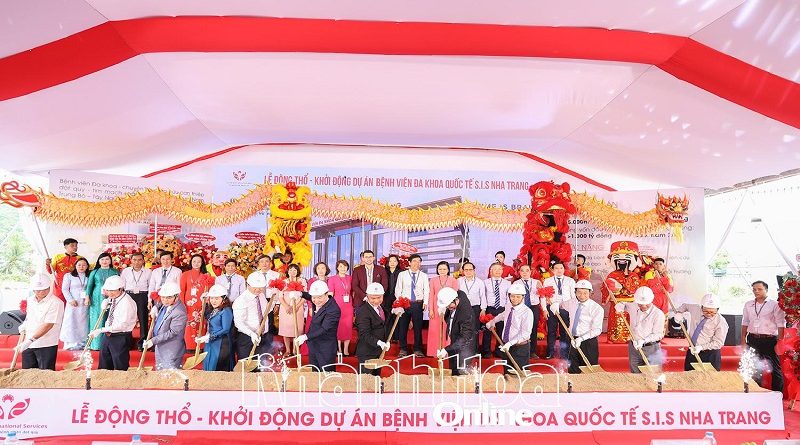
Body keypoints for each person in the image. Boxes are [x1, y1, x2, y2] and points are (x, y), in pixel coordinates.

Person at [741, 280, 785, 392]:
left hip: (770, 340)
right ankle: (755, 392)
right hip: (752, 339)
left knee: (775, 369)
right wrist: (743, 340)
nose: (756, 291)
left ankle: (777, 394)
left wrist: (780, 341)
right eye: (754, 289)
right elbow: (745, 322)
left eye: (759, 289)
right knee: (754, 367)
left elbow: (781, 324)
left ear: (766, 290)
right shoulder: (748, 304)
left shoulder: (774, 304)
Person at [17, 273, 64, 370]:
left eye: (44, 289)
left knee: (45, 374)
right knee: (27, 372)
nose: (41, 292)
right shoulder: (30, 300)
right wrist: (24, 325)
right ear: (33, 289)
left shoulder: (56, 303)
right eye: (38, 290)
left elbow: (48, 325)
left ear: (49, 287)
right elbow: (29, 317)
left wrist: (31, 340)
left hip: (46, 344)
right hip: (29, 341)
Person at [90, 275, 137, 371]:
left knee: (120, 365)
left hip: (120, 336)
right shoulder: (115, 297)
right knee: (104, 363)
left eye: (112, 291)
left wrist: (101, 330)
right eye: (108, 290)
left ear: (121, 289)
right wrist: (106, 300)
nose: (110, 293)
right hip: (108, 335)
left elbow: (122, 325)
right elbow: (109, 297)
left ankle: (121, 381)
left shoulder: (127, 302)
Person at [486, 282, 533, 374]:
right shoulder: (509, 306)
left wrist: (510, 343)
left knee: (518, 376)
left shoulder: (527, 312)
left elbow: (525, 334)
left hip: (519, 348)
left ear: (523, 297)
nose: (515, 299)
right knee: (507, 374)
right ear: (509, 296)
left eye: (518, 297)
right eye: (512, 296)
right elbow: (503, 315)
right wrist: (493, 321)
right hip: (506, 346)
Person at [673, 293, 729, 371]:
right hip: (692, 350)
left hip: (710, 354)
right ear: (701, 307)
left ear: (718, 309)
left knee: (709, 377)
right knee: (689, 376)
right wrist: (679, 312)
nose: (709, 314)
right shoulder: (695, 308)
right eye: (706, 311)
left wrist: (701, 347)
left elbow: (718, 343)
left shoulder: (721, 322)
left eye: (713, 312)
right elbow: (685, 306)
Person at [296, 280, 341, 371]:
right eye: (314, 297)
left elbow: (324, 329)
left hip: (325, 347)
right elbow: (310, 296)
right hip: (314, 345)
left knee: (326, 374)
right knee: (315, 373)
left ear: (326, 294)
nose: (316, 301)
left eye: (319, 297)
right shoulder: (317, 298)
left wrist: (305, 337)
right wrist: (300, 293)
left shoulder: (333, 309)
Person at [620, 286, 665, 373]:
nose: (643, 306)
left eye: (646, 303)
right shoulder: (633, 306)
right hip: (634, 346)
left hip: (651, 348)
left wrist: (643, 341)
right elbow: (624, 304)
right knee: (635, 374)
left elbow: (658, 334)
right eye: (640, 304)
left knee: (653, 375)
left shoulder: (658, 314)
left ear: (651, 300)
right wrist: (620, 305)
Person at [233, 273, 274, 368]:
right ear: (248, 285)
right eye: (255, 287)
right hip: (247, 338)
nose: (258, 290)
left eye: (260, 287)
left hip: (263, 336)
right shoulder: (241, 300)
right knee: (247, 368)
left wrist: (274, 300)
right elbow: (238, 323)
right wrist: (251, 334)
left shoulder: (261, 296)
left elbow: (266, 310)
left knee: (261, 366)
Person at [144, 281, 187, 370]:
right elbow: (161, 303)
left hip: (171, 350)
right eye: (163, 297)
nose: (165, 300)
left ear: (177, 296)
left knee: (169, 374)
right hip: (160, 346)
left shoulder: (179, 312)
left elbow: (173, 332)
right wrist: (156, 307)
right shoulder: (167, 303)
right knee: (160, 371)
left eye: (168, 297)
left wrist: (153, 341)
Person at [395, 254, 429, 357]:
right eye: (414, 261)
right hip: (405, 303)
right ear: (409, 262)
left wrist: (425, 302)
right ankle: (403, 349)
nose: (417, 263)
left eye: (419, 261)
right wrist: (399, 302)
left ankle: (418, 349)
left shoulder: (423, 275)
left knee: (418, 328)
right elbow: (398, 289)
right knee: (403, 327)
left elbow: (426, 290)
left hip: (418, 304)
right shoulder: (402, 274)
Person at [566, 280, 603, 374]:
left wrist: (581, 338)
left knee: (589, 371)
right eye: (579, 292)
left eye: (585, 293)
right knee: (572, 369)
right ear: (575, 292)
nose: (582, 295)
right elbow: (561, 305)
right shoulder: (571, 303)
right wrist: (555, 305)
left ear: (590, 293)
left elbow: (597, 330)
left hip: (588, 342)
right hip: (572, 339)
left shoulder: (596, 308)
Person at [436, 288, 476, 375]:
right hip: (455, 340)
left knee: (461, 371)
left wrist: (446, 350)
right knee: (453, 369)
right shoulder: (458, 295)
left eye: (448, 306)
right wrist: (444, 311)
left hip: (465, 345)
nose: (448, 308)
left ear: (455, 300)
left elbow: (465, 338)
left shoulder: (465, 314)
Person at [197, 284, 235, 371]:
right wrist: (203, 303)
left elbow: (226, 329)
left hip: (222, 343)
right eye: (212, 298)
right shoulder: (213, 309)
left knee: (217, 364)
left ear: (223, 298)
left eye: (217, 298)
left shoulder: (226, 311)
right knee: (208, 361)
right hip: (210, 341)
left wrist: (210, 337)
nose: (213, 301)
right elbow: (207, 316)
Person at [86, 252, 119, 351]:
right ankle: (96, 344)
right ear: (99, 261)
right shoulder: (94, 272)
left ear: (110, 261)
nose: (105, 261)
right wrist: (87, 297)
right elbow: (89, 286)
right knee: (97, 319)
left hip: (112, 296)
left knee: (110, 318)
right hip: (97, 298)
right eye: (102, 259)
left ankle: (109, 345)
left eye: (107, 259)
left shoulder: (115, 271)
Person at [542, 262, 575, 359]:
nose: (559, 270)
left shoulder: (570, 281)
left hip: (565, 308)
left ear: (564, 269)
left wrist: (573, 310)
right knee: (551, 331)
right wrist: (544, 309)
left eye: (561, 268)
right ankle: (550, 352)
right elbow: (543, 296)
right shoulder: (547, 281)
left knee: (564, 331)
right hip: (551, 308)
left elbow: (573, 296)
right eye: (556, 268)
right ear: (552, 270)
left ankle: (564, 353)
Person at [355, 283, 389, 375]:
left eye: (379, 297)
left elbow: (383, 325)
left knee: (376, 379)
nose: (376, 301)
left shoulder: (381, 308)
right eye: (373, 298)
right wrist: (379, 342)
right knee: (365, 381)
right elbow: (364, 334)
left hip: (379, 352)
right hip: (367, 353)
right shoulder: (363, 311)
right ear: (367, 296)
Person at [120, 252, 152, 350]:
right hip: (129, 295)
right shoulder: (126, 271)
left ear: (143, 261)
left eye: (139, 260)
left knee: (143, 319)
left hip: (142, 295)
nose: (137, 262)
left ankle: (142, 343)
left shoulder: (148, 272)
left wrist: (149, 300)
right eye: (134, 260)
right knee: (127, 319)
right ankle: (126, 342)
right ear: (131, 260)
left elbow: (151, 287)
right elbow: (122, 285)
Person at [427, 261, 458, 357]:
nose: (442, 271)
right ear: (437, 270)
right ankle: (434, 351)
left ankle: (446, 351)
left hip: (449, 308)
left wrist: (452, 308)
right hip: (436, 308)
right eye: (440, 269)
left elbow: (455, 295)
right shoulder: (433, 280)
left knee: (447, 330)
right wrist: (431, 309)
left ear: (448, 270)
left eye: (444, 269)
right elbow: (431, 295)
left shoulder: (453, 280)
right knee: (434, 330)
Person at [60, 257, 90, 350]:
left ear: (87, 266)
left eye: (84, 265)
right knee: (71, 321)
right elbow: (65, 289)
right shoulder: (69, 276)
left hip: (84, 302)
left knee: (83, 322)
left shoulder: (89, 276)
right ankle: (70, 343)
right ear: (75, 266)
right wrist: (70, 300)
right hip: (73, 302)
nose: (81, 267)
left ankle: (83, 342)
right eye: (79, 265)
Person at [482, 263, 510, 358]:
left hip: (502, 309)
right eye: (495, 269)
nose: (498, 271)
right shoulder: (485, 282)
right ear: (491, 271)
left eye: (500, 269)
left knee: (501, 330)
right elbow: (483, 296)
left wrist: (507, 309)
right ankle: (486, 351)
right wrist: (484, 309)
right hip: (489, 308)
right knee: (487, 330)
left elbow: (508, 297)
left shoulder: (507, 283)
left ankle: (499, 350)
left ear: (502, 271)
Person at [45, 237, 84, 304]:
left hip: (73, 286)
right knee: (59, 304)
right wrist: (48, 264)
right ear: (65, 247)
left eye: (76, 246)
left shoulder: (80, 259)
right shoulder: (58, 257)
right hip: (59, 285)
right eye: (72, 245)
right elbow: (51, 271)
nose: (75, 247)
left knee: (73, 304)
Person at [279, 264, 307, 354]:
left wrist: (297, 306)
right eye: (290, 270)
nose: (292, 272)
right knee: (285, 328)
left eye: (295, 270)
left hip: (298, 308)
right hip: (285, 308)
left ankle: (295, 349)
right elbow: (280, 296)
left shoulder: (302, 281)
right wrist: (286, 306)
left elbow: (305, 296)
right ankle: (288, 350)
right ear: (287, 271)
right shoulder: (283, 282)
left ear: (298, 271)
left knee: (297, 328)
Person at [328, 260, 354, 356]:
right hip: (337, 305)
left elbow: (353, 292)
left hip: (348, 306)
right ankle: (338, 349)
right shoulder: (332, 279)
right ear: (337, 268)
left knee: (348, 326)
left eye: (345, 266)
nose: (343, 268)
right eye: (341, 266)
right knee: (338, 326)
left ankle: (346, 349)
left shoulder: (350, 278)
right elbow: (330, 294)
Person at [458, 261, 486, 335]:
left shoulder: (480, 282)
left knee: (475, 330)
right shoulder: (459, 281)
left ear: (474, 270)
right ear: (463, 271)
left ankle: (475, 343)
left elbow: (483, 296)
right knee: (463, 330)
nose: (468, 272)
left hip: (475, 309)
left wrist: (483, 309)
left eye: (470, 270)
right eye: (466, 270)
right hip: (462, 309)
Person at [383, 255, 403, 342]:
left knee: (397, 316)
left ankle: (396, 337)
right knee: (387, 317)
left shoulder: (401, 272)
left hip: (397, 297)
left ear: (397, 262)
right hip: (386, 297)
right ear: (387, 262)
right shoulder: (384, 271)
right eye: (390, 261)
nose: (392, 263)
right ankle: (387, 337)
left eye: (394, 261)